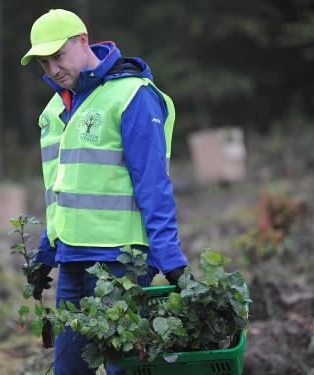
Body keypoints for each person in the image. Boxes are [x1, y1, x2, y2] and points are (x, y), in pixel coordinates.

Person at [21, 9, 189, 375]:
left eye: (58, 57)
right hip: (72, 261)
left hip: (121, 264)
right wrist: (46, 251)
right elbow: (61, 191)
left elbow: (153, 184)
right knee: (68, 369)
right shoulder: (56, 108)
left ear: (83, 41)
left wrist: (171, 259)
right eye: (43, 63)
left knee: (122, 369)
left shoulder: (132, 95)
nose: (52, 70)